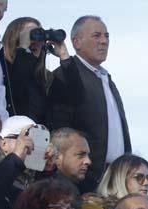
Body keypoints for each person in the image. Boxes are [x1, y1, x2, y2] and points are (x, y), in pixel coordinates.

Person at [47, 16, 131, 190]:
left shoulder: (106, 79)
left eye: (106, 36)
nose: (104, 41)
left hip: (115, 177)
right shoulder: (65, 77)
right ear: (76, 42)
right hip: (86, 179)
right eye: (96, 35)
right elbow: (61, 128)